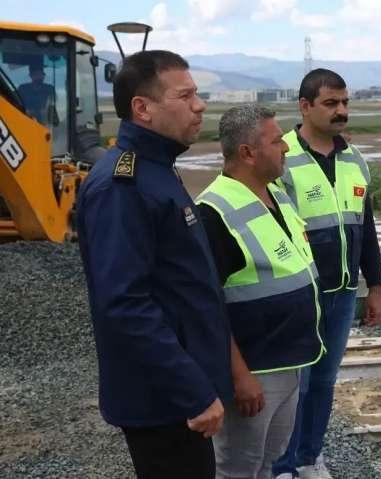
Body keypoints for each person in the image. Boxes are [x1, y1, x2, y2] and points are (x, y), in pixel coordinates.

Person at [76, 50, 232, 479]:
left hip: (181, 391)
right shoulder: (121, 186)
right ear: (142, 108)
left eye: (197, 94)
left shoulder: (157, 168)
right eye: (185, 96)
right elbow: (125, 305)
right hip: (165, 399)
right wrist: (193, 391)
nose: (200, 105)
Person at [196, 104, 325, 479]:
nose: (286, 146)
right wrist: (239, 376)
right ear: (247, 153)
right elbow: (206, 309)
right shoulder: (213, 213)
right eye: (276, 140)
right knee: (239, 467)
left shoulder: (276, 195)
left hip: (289, 362)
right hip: (255, 371)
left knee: (268, 462)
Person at [272, 68, 381, 479]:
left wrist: (375, 285)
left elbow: (364, 226)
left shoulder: (354, 158)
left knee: (323, 381)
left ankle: (308, 457)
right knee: (293, 388)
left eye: (345, 103)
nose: (341, 111)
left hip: (340, 295)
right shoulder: (279, 154)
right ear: (304, 106)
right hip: (298, 296)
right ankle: (282, 466)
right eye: (331, 103)